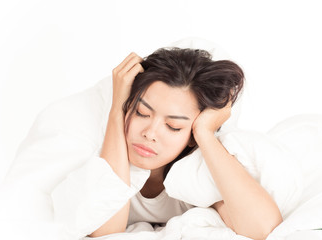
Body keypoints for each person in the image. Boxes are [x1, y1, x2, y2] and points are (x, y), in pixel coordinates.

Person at [86, 47, 283, 240]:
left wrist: (204, 133)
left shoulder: (195, 175)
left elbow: (263, 229)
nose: (150, 133)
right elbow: (105, 234)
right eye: (141, 113)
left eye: (173, 126)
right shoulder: (96, 146)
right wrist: (117, 109)